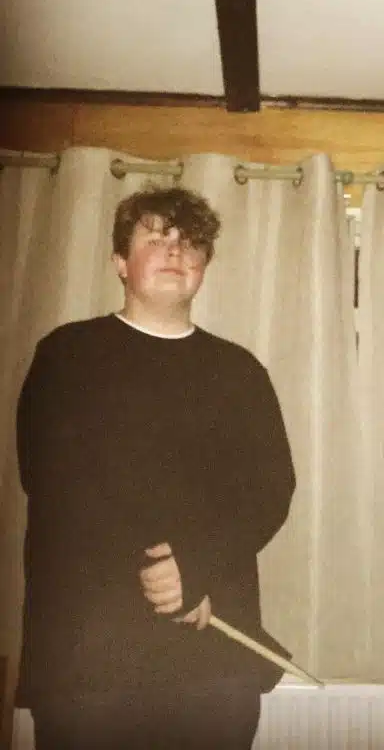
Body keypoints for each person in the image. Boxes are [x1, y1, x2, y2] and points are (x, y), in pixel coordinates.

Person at [16, 185, 296, 750]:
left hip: (211, 655)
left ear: (204, 267)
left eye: (189, 243)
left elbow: (270, 490)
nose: (175, 250)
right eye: (156, 238)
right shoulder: (67, 354)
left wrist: (199, 566)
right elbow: (53, 480)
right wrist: (164, 572)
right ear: (120, 263)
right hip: (91, 652)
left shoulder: (240, 371)